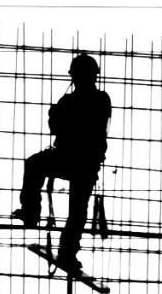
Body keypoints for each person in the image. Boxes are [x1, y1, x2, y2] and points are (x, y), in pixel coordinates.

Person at [13, 53, 111, 272]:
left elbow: (64, 127)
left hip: (77, 159)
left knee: (75, 207)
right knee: (76, 207)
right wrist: (56, 115)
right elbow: (58, 128)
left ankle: (35, 217)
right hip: (80, 160)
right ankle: (62, 245)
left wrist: (56, 114)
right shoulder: (92, 100)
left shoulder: (90, 100)